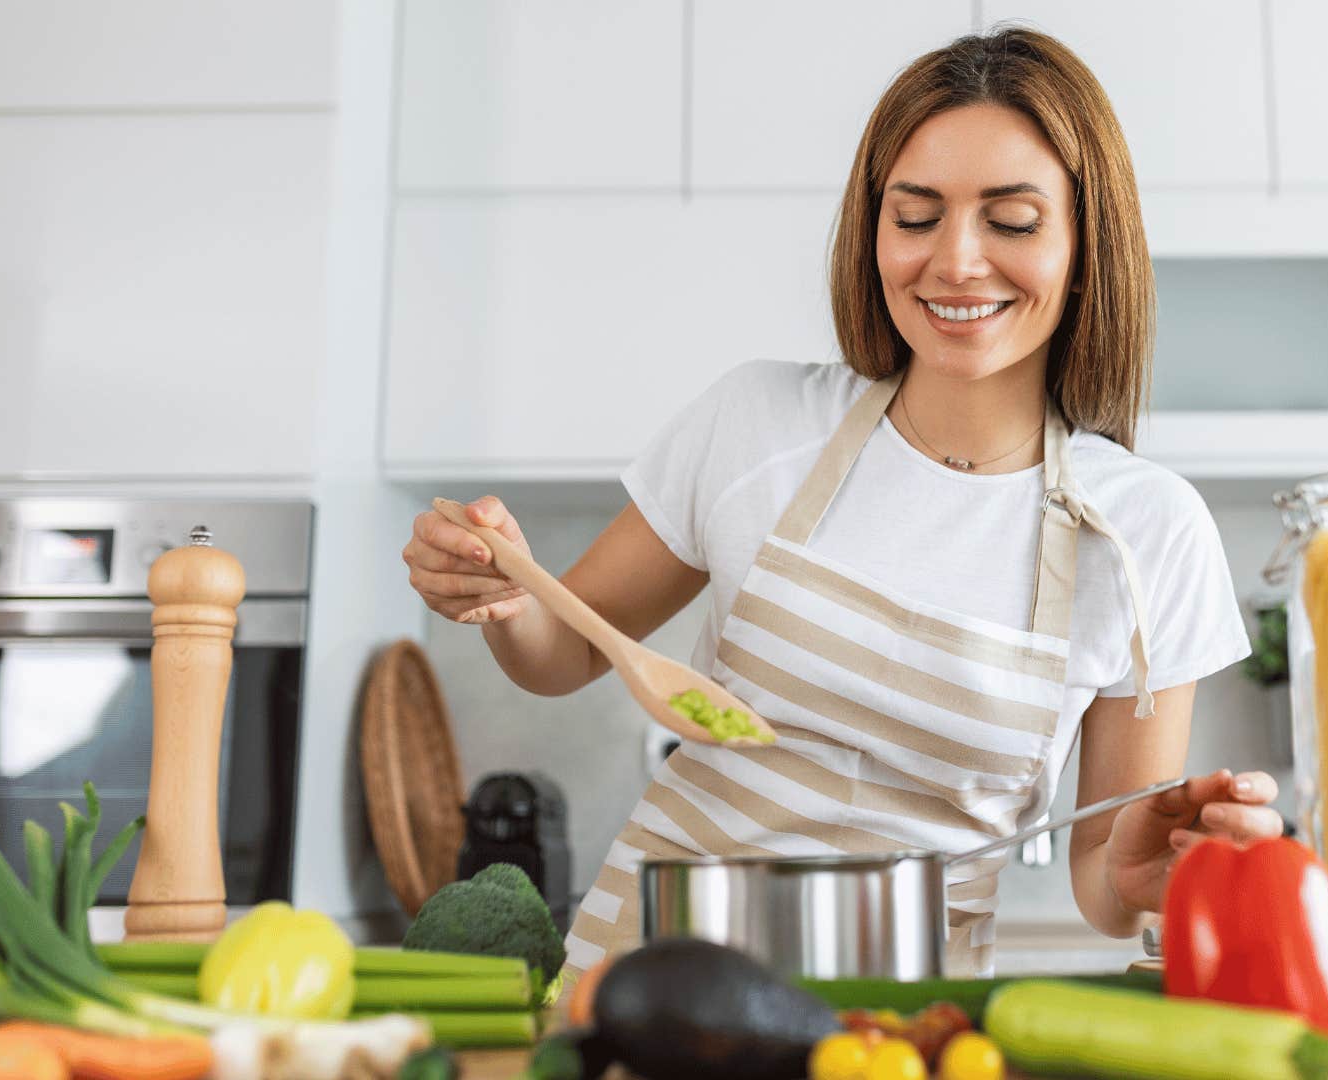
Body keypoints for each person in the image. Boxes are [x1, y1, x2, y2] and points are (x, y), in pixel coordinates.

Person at [402, 27, 1281, 978]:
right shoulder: (756, 422)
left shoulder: (1148, 532)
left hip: (898, 1028)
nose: (955, 261)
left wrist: (1151, 870)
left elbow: (1103, 878)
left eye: (1013, 221)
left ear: (1085, 244)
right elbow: (569, 647)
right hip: (634, 985)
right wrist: (507, 594)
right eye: (915, 216)